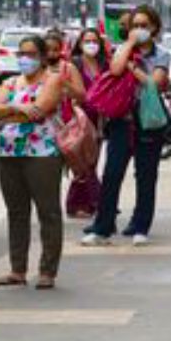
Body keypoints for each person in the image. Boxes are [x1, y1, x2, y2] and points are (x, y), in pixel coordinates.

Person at [82, 5, 171, 247]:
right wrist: (130, 47)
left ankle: (141, 225)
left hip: (149, 121)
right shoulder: (123, 50)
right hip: (122, 120)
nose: (140, 30)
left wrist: (135, 68)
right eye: (135, 25)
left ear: (154, 28)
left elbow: (154, 83)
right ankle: (103, 227)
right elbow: (115, 69)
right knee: (112, 174)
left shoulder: (161, 55)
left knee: (146, 175)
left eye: (145, 25)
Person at [0, 35, 64, 290]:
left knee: (48, 212)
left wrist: (7, 116)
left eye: (31, 54)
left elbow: (41, 110)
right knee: (17, 212)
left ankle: (47, 271)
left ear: (43, 57)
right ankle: (17, 270)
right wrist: (21, 109)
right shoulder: (11, 82)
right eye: (21, 53)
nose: (25, 58)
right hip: (9, 153)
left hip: (42, 153)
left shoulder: (52, 79)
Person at [65, 28, 109, 218]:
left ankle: (92, 202)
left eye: (94, 41)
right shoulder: (74, 64)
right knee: (81, 162)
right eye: (87, 41)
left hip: (100, 119)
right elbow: (69, 90)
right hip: (80, 118)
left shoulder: (104, 64)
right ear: (80, 44)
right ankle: (84, 202)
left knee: (92, 161)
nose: (91, 44)